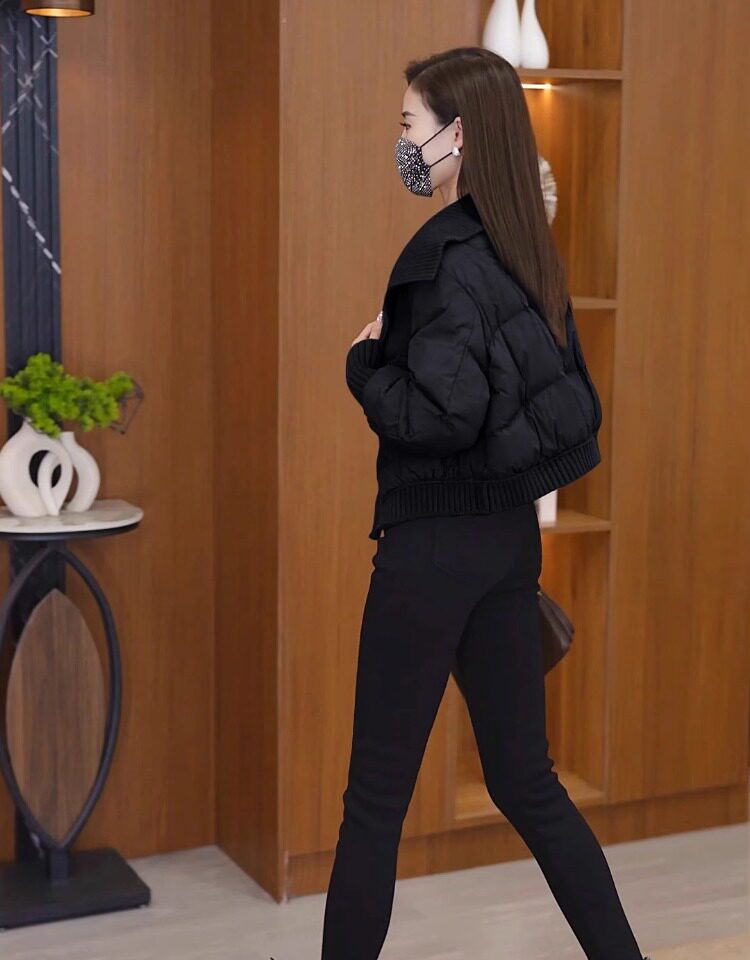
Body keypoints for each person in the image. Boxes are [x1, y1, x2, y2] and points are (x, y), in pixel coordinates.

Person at [322, 46, 649, 960]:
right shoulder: (521, 246)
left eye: (408, 125)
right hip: (508, 543)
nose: (400, 142)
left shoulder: (441, 257)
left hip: (432, 549)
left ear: (456, 135)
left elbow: (443, 415)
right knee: (529, 783)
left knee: (373, 804)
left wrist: (365, 365)